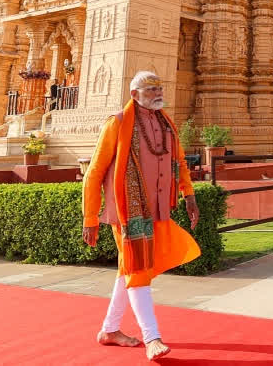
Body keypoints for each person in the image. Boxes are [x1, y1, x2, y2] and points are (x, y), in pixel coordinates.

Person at [82, 71, 200, 361]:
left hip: (157, 209)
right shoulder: (118, 123)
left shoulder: (166, 122)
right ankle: (152, 337)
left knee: (130, 269)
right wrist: (90, 217)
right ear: (134, 95)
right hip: (127, 212)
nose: (157, 93)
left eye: (159, 88)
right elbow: (94, 172)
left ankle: (110, 330)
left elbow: (180, 162)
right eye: (150, 90)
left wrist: (189, 194)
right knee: (138, 270)